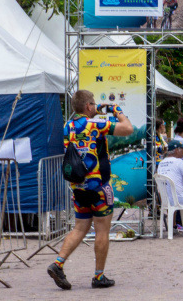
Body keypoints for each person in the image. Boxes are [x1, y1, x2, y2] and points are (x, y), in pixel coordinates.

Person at [47, 90, 133, 290]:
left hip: (77, 187)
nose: (95, 107)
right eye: (93, 104)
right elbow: (128, 128)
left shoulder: (68, 126)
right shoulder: (94, 124)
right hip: (98, 187)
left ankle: (58, 263)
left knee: (79, 228)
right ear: (87, 106)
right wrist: (115, 110)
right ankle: (98, 276)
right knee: (102, 230)